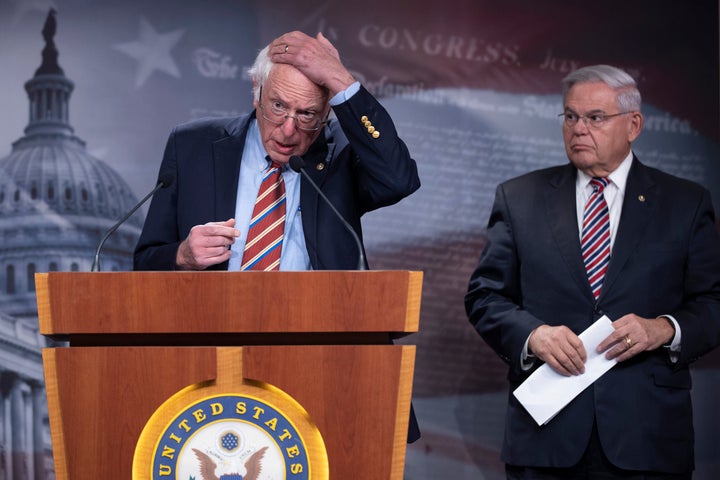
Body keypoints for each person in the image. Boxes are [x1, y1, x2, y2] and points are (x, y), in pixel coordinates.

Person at [134, 30, 421, 442]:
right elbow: (143, 262)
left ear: (326, 114)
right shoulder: (193, 145)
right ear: (257, 91)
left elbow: (398, 178)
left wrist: (342, 81)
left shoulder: (340, 155)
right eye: (278, 107)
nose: (288, 130)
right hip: (207, 364)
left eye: (306, 115)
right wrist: (182, 255)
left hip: (322, 363)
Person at [465, 64, 720, 478]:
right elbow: (485, 297)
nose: (578, 129)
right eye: (570, 116)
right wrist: (533, 335)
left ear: (633, 124)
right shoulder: (519, 198)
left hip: (647, 437)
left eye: (595, 118)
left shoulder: (685, 204)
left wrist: (663, 329)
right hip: (548, 438)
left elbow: (713, 303)